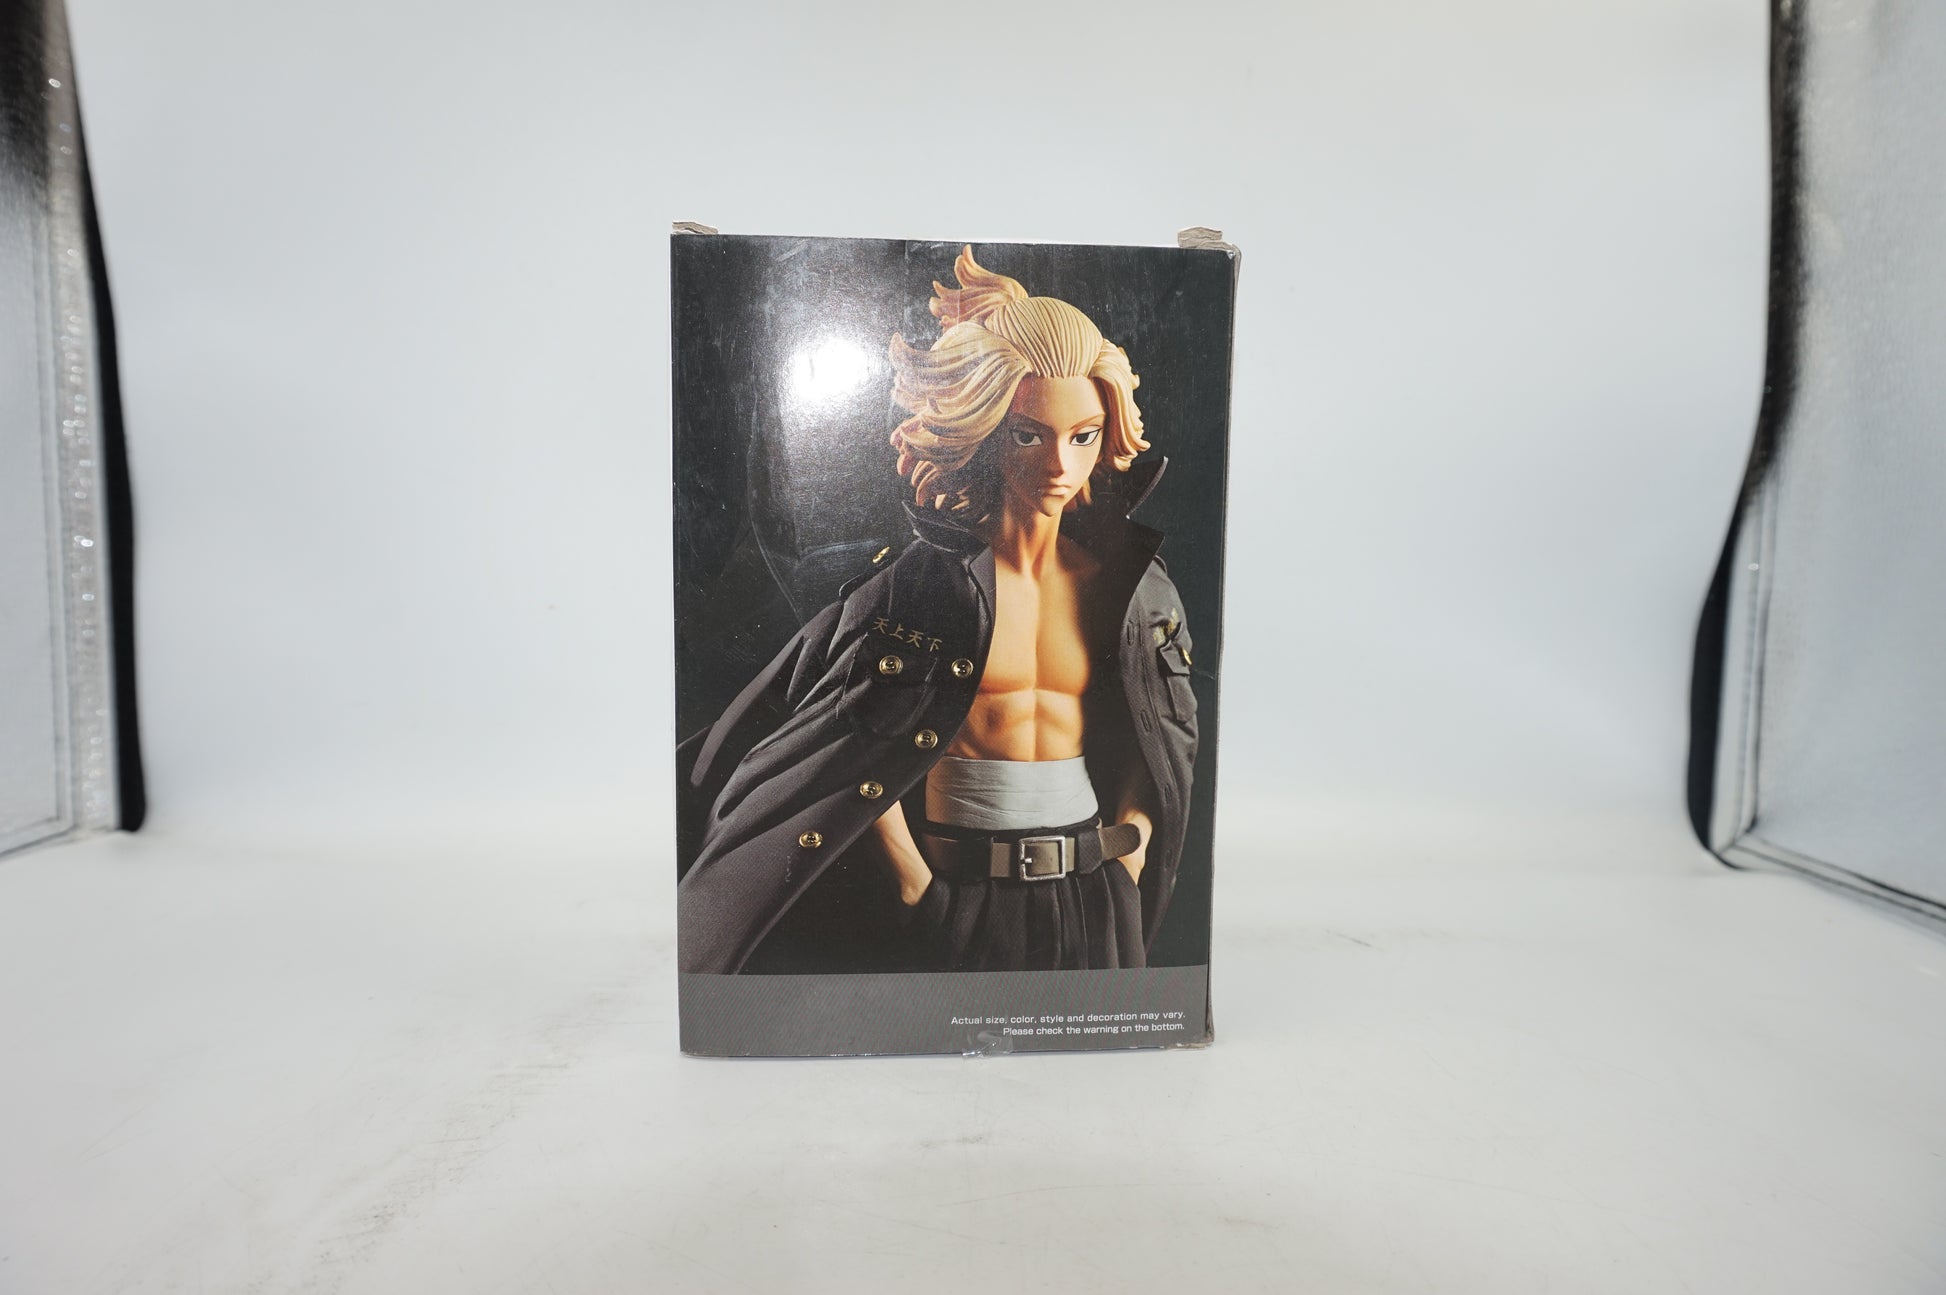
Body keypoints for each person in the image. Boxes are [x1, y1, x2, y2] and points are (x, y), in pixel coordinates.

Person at [677, 246, 1198, 975]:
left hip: (1095, 895)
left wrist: (1130, 854)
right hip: (959, 902)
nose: (1059, 464)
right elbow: (849, 749)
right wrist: (917, 888)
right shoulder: (914, 591)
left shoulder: (1134, 589)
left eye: (1082, 436)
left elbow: (1156, 735)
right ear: (984, 429)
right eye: (1028, 434)